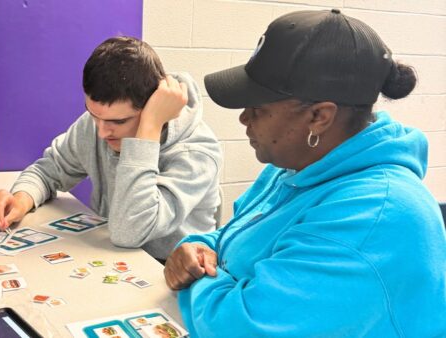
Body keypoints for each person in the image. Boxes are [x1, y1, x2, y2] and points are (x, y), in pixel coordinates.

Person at [164, 9, 446, 337]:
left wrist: (198, 277)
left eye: (258, 108)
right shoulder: (294, 166)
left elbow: (243, 327)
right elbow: (233, 239)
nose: (244, 119)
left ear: (319, 117)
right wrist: (195, 247)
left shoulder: (374, 215)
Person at [0, 36, 222, 261]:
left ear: (152, 110)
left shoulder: (197, 153)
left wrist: (148, 133)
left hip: (171, 276)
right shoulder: (98, 125)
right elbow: (48, 171)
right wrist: (21, 199)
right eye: (93, 116)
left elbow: (129, 232)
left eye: (118, 121)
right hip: (113, 260)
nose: (102, 132)